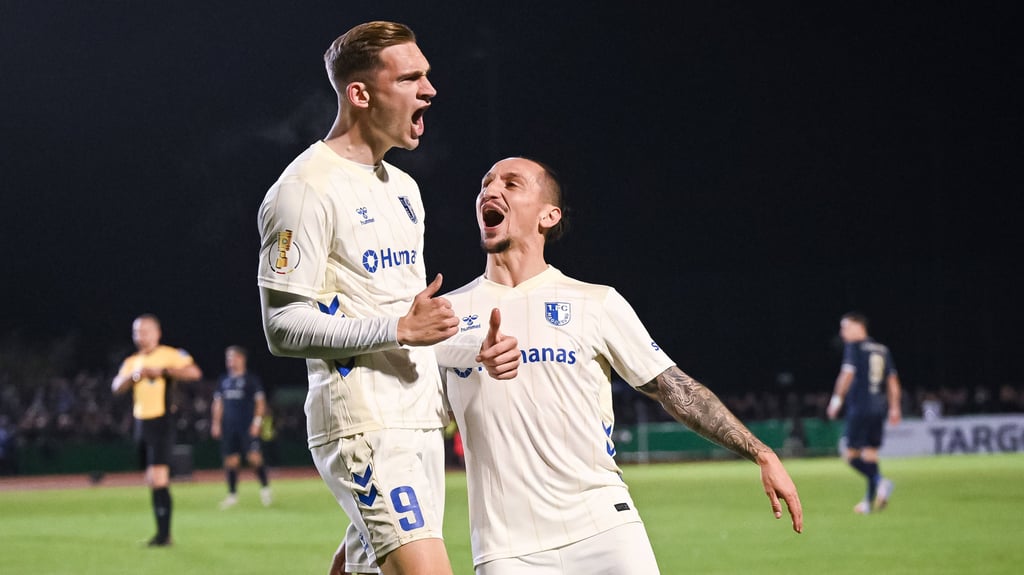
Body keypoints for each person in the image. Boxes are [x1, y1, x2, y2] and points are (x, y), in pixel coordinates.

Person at [435, 157, 803, 574]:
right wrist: (366, 534)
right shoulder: (445, 314)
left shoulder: (596, 302)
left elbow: (672, 387)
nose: (490, 190)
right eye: (486, 183)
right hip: (506, 550)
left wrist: (761, 453)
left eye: (511, 183)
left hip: (605, 530)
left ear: (548, 215)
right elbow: (410, 426)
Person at [256, 21, 520, 575]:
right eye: (411, 78)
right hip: (362, 425)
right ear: (360, 94)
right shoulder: (303, 190)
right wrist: (398, 329)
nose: (430, 90)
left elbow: (411, 322)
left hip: (419, 422)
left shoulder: (403, 190)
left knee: (362, 568)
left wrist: (471, 349)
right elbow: (283, 327)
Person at [111, 313, 202, 547]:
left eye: (144, 331)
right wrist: (134, 377)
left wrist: (163, 371)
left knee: (160, 478)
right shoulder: (132, 361)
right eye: (136, 332)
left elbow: (194, 373)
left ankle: (164, 536)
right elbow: (116, 386)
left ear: (157, 333)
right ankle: (162, 533)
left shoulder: (170, 354)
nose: (139, 336)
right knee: (152, 478)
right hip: (141, 423)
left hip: (162, 421)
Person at [826, 311, 902, 514]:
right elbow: (892, 381)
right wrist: (894, 407)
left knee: (848, 454)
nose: (842, 333)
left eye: (845, 327)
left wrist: (836, 400)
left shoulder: (854, 348)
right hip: (878, 408)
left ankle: (880, 481)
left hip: (860, 407)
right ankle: (868, 503)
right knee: (869, 455)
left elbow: (847, 374)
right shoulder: (882, 349)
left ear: (859, 327)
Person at [211, 345, 272, 509]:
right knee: (231, 461)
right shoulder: (223, 380)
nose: (230, 361)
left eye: (233, 357)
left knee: (254, 458)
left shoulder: (251, 380)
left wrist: (257, 422)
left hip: (247, 426)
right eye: (228, 358)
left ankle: (265, 489)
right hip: (229, 427)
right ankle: (232, 495)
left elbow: (260, 402)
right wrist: (216, 423)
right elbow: (218, 403)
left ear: (242, 359)